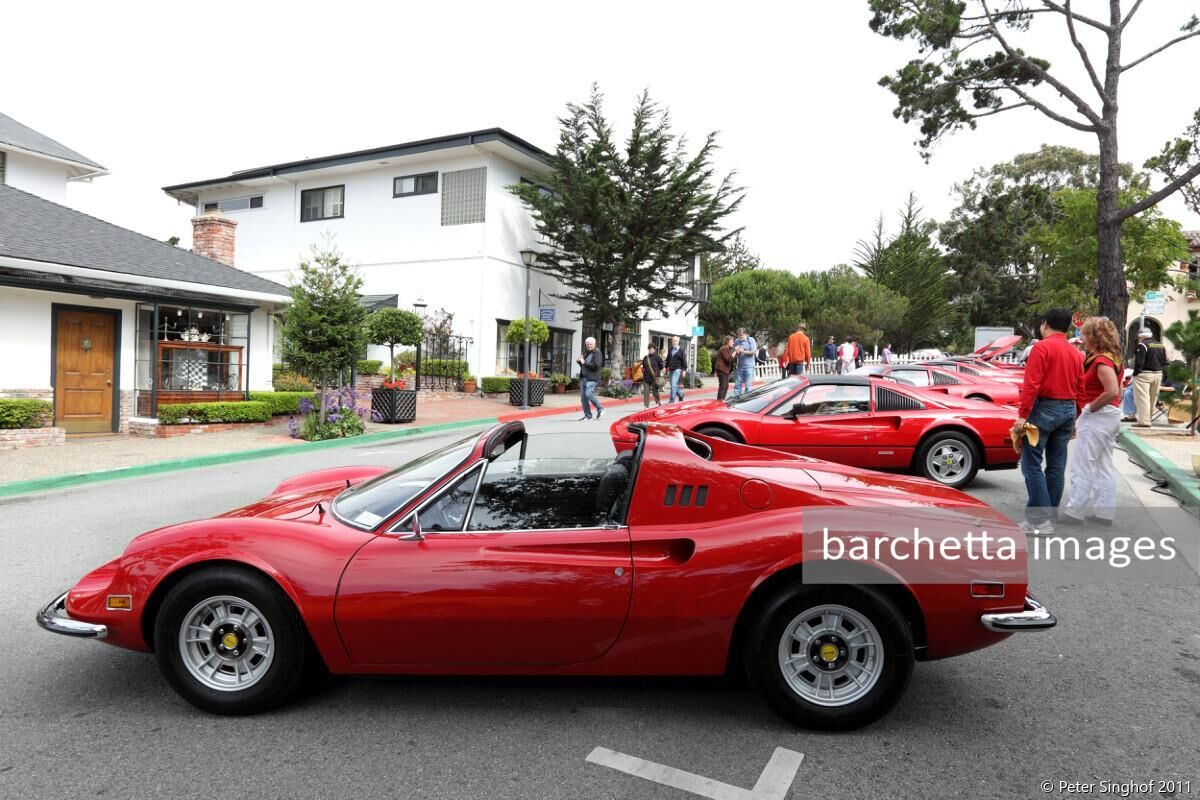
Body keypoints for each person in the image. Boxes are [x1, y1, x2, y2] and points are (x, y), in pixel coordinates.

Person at [1013, 308, 1083, 536]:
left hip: (1043, 410)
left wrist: (1022, 416)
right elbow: (1080, 388)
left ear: (1045, 324)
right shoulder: (1075, 353)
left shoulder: (1041, 348)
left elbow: (1031, 384)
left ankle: (1039, 520)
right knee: (1056, 465)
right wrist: (1075, 418)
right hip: (1067, 410)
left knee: (1031, 463)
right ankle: (1046, 518)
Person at [1061, 316, 1122, 527]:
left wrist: (1089, 408)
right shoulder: (1112, 357)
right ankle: (1105, 512)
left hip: (1098, 416)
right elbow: (1119, 392)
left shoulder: (1100, 360)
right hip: (1110, 415)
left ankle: (1075, 511)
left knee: (1082, 464)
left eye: (1085, 334)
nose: (1082, 338)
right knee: (1103, 465)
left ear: (1094, 337)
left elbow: (1111, 390)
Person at [1131, 327, 1167, 427]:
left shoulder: (1142, 345)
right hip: (1158, 374)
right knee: (1152, 399)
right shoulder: (1161, 345)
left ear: (1141, 336)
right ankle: (1148, 419)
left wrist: (1135, 374)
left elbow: (1139, 363)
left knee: (1143, 399)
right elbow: (1165, 362)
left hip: (1144, 374)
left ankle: (1144, 422)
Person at [576, 337, 604, 421]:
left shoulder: (597, 352)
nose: (589, 346)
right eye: (587, 344)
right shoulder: (587, 353)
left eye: (590, 344)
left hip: (592, 378)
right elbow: (584, 365)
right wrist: (580, 362)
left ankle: (600, 408)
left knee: (588, 394)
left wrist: (584, 362)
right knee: (583, 398)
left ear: (594, 344)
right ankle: (588, 415)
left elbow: (596, 366)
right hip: (584, 378)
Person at [732, 328, 758, 396]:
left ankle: (746, 400)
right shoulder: (737, 341)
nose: (740, 337)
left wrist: (743, 351)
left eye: (741, 335)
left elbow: (753, 352)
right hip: (740, 366)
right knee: (737, 385)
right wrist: (736, 352)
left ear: (746, 334)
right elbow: (735, 355)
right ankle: (736, 399)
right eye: (738, 335)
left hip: (749, 366)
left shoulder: (751, 340)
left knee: (748, 386)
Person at [640, 343, 664, 408]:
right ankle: (646, 406)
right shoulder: (645, 358)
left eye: (651, 349)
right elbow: (644, 367)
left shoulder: (658, 357)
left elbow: (661, 366)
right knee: (646, 392)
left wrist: (657, 372)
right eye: (649, 349)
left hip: (654, 377)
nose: (650, 350)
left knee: (655, 391)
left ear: (654, 349)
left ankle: (658, 401)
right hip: (646, 377)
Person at [666, 335, 688, 403]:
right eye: (673, 341)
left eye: (675, 341)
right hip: (671, 369)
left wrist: (684, 370)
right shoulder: (670, 349)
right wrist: (665, 367)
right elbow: (668, 359)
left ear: (678, 341)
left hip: (677, 369)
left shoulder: (681, 350)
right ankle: (681, 394)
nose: (674, 342)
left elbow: (684, 361)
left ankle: (671, 400)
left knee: (673, 384)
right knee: (673, 385)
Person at [715, 336, 734, 400]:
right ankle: (720, 401)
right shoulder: (724, 349)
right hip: (722, 369)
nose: (733, 343)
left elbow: (731, 357)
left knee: (725, 386)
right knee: (723, 386)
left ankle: (721, 400)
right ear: (727, 341)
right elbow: (728, 359)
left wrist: (735, 352)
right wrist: (735, 351)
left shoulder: (727, 349)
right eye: (732, 341)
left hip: (724, 370)